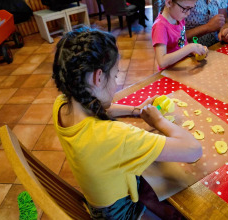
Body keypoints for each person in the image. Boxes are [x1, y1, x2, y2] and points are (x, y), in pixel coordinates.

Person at [52, 26, 202, 219]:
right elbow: (193, 150)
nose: (116, 82)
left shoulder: (62, 105)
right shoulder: (115, 136)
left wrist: (135, 111)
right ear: (98, 77)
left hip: (99, 205)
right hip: (122, 213)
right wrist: (159, 122)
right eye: (115, 76)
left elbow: (98, 107)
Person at [152, 0, 208, 70]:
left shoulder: (179, 19)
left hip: (182, 66)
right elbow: (162, 62)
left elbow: (183, 44)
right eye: (185, 8)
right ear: (169, 3)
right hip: (169, 72)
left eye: (190, 8)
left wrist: (195, 50)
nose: (188, 13)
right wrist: (190, 48)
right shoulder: (160, 26)